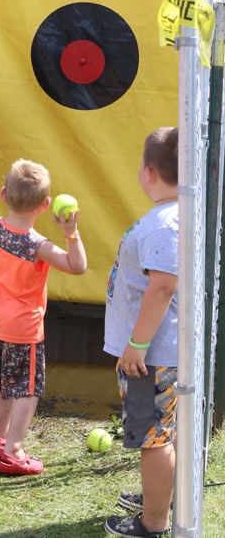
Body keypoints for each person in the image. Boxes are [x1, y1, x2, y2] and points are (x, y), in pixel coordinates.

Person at [0, 158, 87, 476]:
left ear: (3, 194)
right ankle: (14, 450)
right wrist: (71, 233)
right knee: (27, 388)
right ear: (46, 205)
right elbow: (77, 267)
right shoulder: (37, 245)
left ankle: (0, 437)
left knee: (4, 383)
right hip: (24, 329)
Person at [103, 127, 178, 538]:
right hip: (161, 352)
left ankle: (153, 521)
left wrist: (137, 345)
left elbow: (163, 287)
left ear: (149, 172)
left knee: (153, 438)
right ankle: (161, 498)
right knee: (165, 433)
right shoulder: (176, 215)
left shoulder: (163, 225)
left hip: (152, 356)